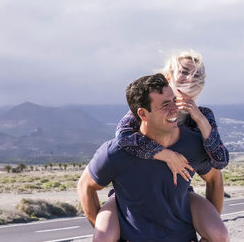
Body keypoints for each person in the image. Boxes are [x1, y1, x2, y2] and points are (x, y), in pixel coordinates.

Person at [95, 50, 229, 241]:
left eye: (197, 74)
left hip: (177, 193)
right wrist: (167, 155)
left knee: (218, 233)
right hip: (132, 192)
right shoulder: (146, 107)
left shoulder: (203, 115)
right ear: (168, 77)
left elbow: (220, 161)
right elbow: (123, 137)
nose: (191, 78)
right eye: (184, 72)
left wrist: (200, 119)